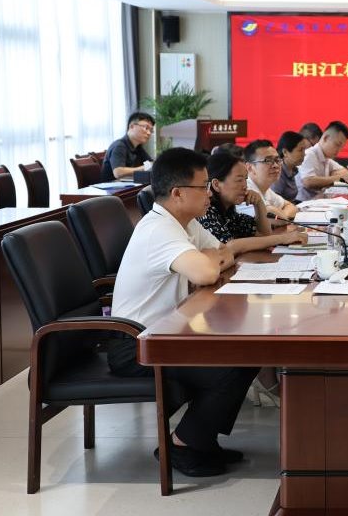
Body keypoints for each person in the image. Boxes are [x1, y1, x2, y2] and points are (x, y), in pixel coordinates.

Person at [109, 147, 258, 477]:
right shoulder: (159, 230)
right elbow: (207, 272)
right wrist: (211, 261)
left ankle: (200, 439)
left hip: (166, 334)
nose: (209, 194)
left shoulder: (183, 222)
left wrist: (212, 259)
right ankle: (182, 445)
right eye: (202, 187)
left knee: (247, 352)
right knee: (233, 365)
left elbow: (224, 252)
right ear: (177, 193)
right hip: (136, 344)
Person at [199, 151, 307, 253]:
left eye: (245, 179)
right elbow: (228, 247)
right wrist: (282, 238)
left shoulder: (229, 212)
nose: (245, 186)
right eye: (239, 180)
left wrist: (259, 203)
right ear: (216, 184)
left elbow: (264, 234)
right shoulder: (206, 210)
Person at [296, 120, 348, 201]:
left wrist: (331, 177)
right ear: (325, 138)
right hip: (302, 204)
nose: (339, 150)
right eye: (337, 145)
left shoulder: (327, 158)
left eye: (341, 147)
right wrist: (338, 178)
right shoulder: (309, 154)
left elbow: (347, 173)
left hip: (318, 201)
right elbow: (308, 181)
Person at [244, 139, 298, 221]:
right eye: (268, 161)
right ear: (250, 167)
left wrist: (283, 217)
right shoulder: (245, 189)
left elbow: (290, 206)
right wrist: (283, 218)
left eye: (277, 160)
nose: (275, 165)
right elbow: (269, 216)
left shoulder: (265, 189)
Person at [100, 112, 154, 181]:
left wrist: (151, 165)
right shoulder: (119, 146)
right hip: (112, 186)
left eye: (151, 130)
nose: (149, 133)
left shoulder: (138, 147)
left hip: (129, 184)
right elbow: (118, 172)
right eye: (146, 128)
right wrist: (144, 167)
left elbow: (150, 163)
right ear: (132, 126)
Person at [273, 131, 310, 202]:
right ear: (285, 152)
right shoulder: (277, 171)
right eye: (300, 150)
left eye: (304, 150)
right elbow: (275, 202)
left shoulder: (293, 170)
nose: (304, 154)